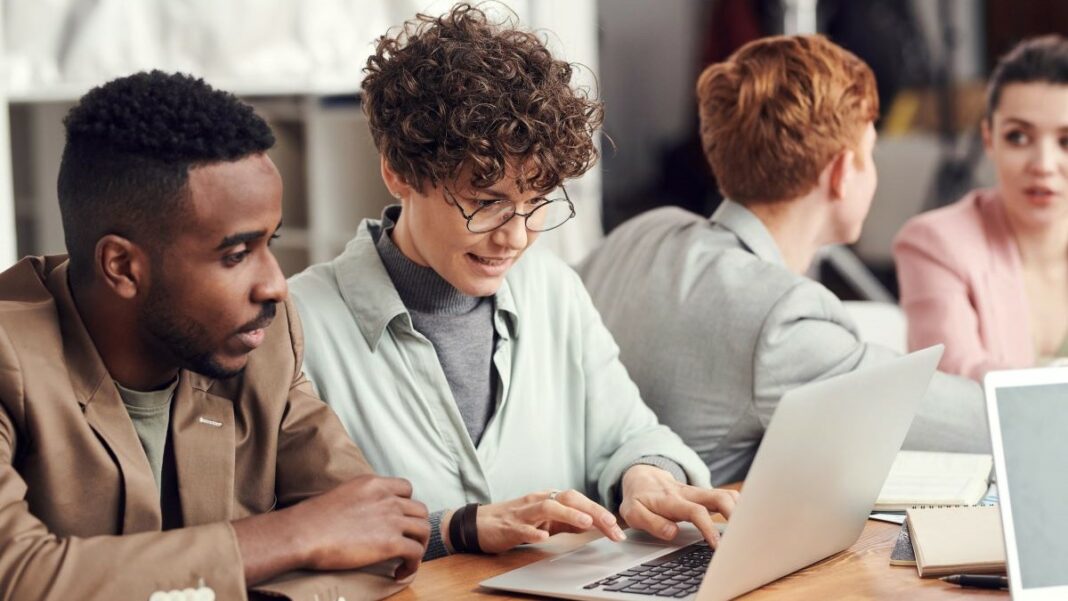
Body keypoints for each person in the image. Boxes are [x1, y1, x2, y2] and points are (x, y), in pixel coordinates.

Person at [289, 4, 737, 560]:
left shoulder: (552, 288)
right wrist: (454, 527)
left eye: (538, 202)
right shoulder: (298, 325)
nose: (516, 238)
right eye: (486, 203)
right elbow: (292, 534)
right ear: (398, 171)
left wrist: (645, 477)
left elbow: (630, 436)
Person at [0, 71, 429, 600]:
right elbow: (17, 577)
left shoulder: (261, 339)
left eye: (270, 242)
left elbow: (380, 539)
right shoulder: (7, 354)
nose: (275, 284)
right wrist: (294, 535)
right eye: (235, 255)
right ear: (122, 266)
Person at [578, 35, 990, 486]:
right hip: (686, 547)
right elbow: (983, 426)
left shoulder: (645, 230)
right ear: (841, 174)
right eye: (869, 154)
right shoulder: (781, 322)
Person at [894, 35, 1068, 380]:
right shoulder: (935, 244)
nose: (1044, 164)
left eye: (1066, 141)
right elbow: (960, 381)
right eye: (1018, 137)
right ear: (989, 139)